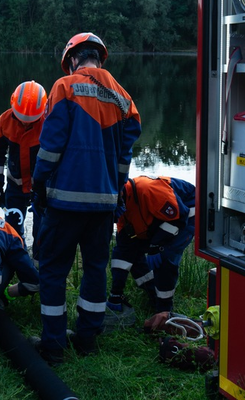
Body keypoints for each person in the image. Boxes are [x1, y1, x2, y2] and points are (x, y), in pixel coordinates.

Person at [30, 32, 141, 364]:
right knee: (95, 269)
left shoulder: (65, 88)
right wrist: (117, 191)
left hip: (64, 203)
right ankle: (88, 339)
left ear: (73, 60)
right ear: (99, 57)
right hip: (104, 204)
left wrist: (38, 184)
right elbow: (125, 158)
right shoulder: (124, 98)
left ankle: (53, 345)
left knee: (52, 271)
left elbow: (50, 147)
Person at [103, 175, 196, 331]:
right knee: (134, 255)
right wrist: (115, 294)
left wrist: (156, 245)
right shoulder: (121, 209)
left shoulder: (148, 189)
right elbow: (123, 252)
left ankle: (164, 311)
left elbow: (180, 218)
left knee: (165, 257)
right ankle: (153, 293)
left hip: (187, 212)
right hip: (161, 219)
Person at [0, 80, 47, 254]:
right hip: (15, 187)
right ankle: (16, 262)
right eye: (22, 120)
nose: (26, 123)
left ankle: (38, 268)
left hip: (43, 188)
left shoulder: (50, 123)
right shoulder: (3, 122)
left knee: (43, 230)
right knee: (12, 230)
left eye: (31, 121)